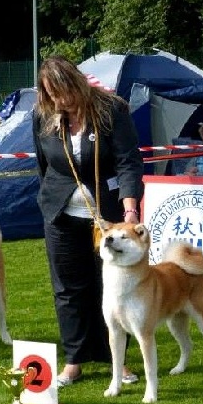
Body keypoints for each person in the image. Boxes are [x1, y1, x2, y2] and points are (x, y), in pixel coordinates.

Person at [33, 55, 145, 387]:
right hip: (61, 214)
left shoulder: (112, 110)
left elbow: (128, 162)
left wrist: (130, 212)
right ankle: (74, 360)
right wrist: (53, 198)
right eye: (52, 95)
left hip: (109, 215)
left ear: (77, 82)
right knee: (68, 289)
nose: (60, 101)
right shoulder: (42, 116)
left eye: (64, 93)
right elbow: (44, 165)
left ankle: (117, 361)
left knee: (112, 288)